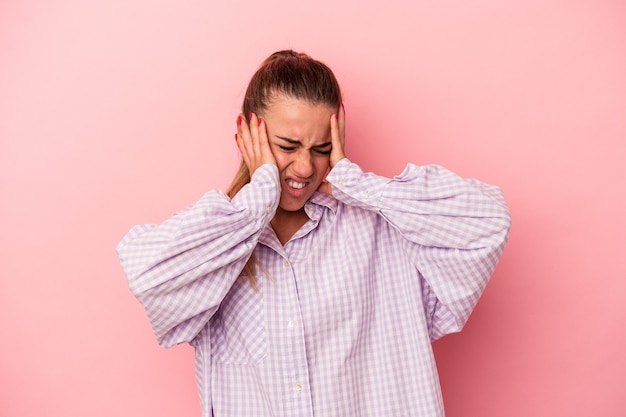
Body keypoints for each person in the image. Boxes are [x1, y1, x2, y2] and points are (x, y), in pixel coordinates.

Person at [116, 50, 511, 417]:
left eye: (322, 148)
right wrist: (256, 205)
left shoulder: (383, 233)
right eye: (288, 145)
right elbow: (149, 278)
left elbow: (488, 223)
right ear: (246, 134)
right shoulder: (215, 250)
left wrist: (358, 184)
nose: (305, 167)